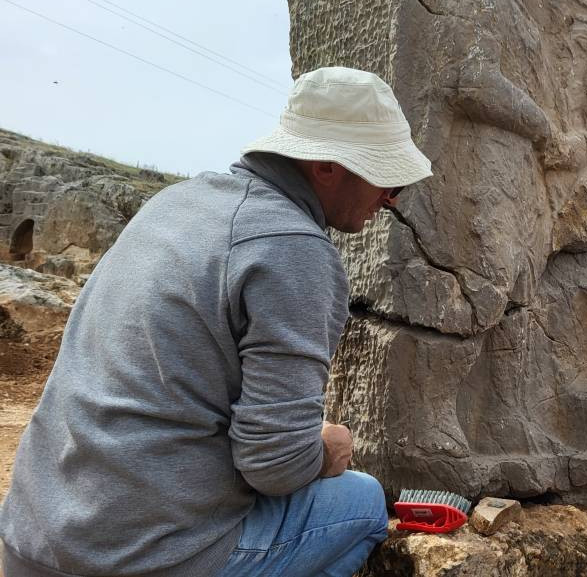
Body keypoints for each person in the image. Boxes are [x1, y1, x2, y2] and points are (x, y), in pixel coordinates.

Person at [0, 67, 433, 577]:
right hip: (129, 559)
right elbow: (274, 466)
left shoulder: (175, 204)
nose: (392, 198)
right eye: (388, 176)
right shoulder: (294, 249)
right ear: (325, 165)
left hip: (32, 535)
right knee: (360, 503)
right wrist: (325, 450)